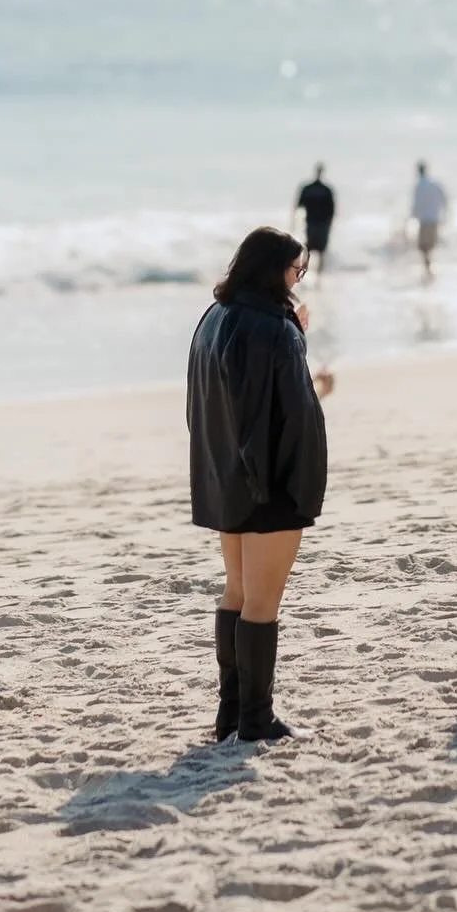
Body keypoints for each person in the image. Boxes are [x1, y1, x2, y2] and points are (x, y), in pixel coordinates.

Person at [187, 227, 328, 742]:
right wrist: (297, 335)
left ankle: (231, 714)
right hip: (271, 483)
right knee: (263, 601)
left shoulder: (214, 316)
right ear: (274, 270)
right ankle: (256, 718)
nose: (298, 280)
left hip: (225, 477)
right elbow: (294, 413)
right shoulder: (275, 328)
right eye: (296, 271)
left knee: (238, 590)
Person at [292, 163, 336, 274]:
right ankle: (315, 275)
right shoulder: (325, 190)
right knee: (318, 250)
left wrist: (293, 222)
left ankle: (305, 274)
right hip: (319, 224)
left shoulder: (309, 188)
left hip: (314, 223)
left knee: (310, 249)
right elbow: (332, 210)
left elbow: (297, 206)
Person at [410, 161, 447, 279]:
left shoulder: (419, 186)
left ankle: (429, 270)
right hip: (434, 218)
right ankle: (429, 269)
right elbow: (444, 199)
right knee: (428, 246)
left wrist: (412, 217)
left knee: (423, 246)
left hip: (425, 219)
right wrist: (444, 215)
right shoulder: (435, 184)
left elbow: (416, 204)